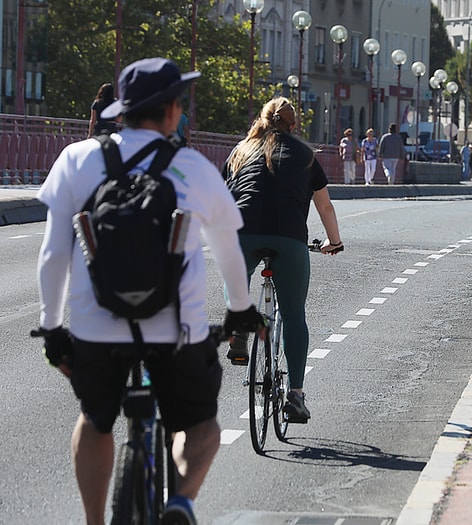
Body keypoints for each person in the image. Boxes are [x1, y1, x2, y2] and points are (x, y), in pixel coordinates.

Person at [35, 57, 263, 525]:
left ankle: (96, 522)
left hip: (97, 327)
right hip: (176, 329)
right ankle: (180, 504)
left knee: (96, 419)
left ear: (122, 109)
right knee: (201, 425)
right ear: (173, 110)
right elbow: (229, 252)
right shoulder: (193, 167)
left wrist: (53, 327)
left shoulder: (76, 160)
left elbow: (54, 254)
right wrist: (240, 309)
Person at [223, 96, 344, 423]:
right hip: (289, 238)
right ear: (293, 125)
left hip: (242, 233)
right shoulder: (305, 155)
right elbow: (325, 207)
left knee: (235, 274)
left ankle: (238, 326)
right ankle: (295, 396)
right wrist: (334, 242)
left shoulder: (241, 151)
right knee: (293, 315)